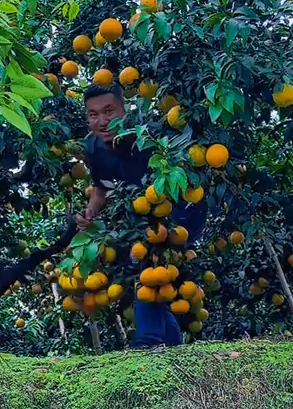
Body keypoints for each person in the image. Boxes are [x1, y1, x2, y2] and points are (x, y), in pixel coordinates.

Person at [76, 83, 207, 347]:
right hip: (142, 216)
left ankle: (148, 342)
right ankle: (172, 344)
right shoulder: (93, 148)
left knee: (149, 264)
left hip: (181, 211)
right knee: (150, 273)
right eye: (93, 114)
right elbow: (101, 189)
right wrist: (89, 213)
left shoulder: (149, 136)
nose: (101, 121)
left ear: (124, 110)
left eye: (109, 111)